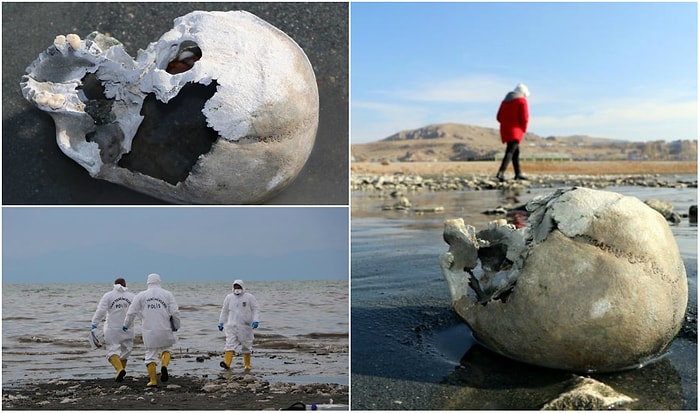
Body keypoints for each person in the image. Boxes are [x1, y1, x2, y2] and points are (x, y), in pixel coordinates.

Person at [123, 273, 181, 387]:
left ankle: (153, 381)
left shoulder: (141, 295)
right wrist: (177, 325)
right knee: (167, 349)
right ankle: (164, 365)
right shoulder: (167, 294)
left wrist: (126, 324)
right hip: (165, 328)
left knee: (150, 355)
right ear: (159, 281)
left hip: (149, 330)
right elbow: (175, 312)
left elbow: (131, 312)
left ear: (148, 282)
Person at [90, 278, 135, 382]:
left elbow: (101, 310)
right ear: (125, 284)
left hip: (112, 329)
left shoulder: (108, 296)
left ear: (114, 285)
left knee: (112, 350)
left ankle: (119, 369)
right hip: (128, 328)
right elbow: (138, 311)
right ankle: (121, 371)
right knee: (126, 350)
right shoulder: (132, 296)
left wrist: (94, 323)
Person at [217, 280, 260, 371]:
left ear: (242, 287)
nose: (237, 289)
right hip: (231, 326)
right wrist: (221, 322)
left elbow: (256, 308)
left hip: (245, 326)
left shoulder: (249, 297)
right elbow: (224, 310)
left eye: (239, 287)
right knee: (229, 344)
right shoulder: (229, 297)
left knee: (246, 346)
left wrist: (255, 320)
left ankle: (247, 365)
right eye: (235, 287)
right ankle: (227, 364)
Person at [496, 83, 530, 182]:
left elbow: (498, 117)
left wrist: (506, 124)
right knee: (510, 151)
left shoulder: (505, 101)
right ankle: (501, 172)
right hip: (516, 130)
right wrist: (523, 129)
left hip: (505, 129)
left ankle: (518, 173)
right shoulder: (522, 101)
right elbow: (525, 117)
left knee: (515, 152)